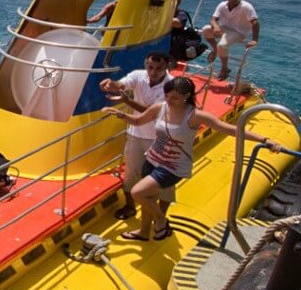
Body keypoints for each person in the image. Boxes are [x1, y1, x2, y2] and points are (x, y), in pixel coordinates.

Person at [103, 77, 281, 241]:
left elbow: (230, 129)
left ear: (186, 96)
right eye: (166, 96)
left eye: (174, 97)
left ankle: (162, 222)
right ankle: (143, 232)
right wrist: (118, 114)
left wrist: (264, 140)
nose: (168, 100)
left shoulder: (195, 115)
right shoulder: (161, 107)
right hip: (152, 159)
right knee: (149, 200)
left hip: (172, 167)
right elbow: (137, 121)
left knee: (137, 192)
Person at [98, 52, 175, 221]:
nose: (153, 72)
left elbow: (150, 113)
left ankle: (160, 217)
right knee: (131, 173)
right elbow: (123, 83)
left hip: (161, 139)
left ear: (166, 67)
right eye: (150, 67)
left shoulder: (172, 86)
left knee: (162, 179)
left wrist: (126, 101)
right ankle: (130, 206)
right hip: (136, 134)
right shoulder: (138, 76)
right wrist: (113, 84)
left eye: (158, 68)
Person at [201, 0, 259, 80]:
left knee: (222, 45)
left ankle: (225, 68)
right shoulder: (222, 5)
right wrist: (216, 26)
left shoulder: (246, 7)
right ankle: (215, 50)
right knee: (206, 29)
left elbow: (255, 22)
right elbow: (213, 19)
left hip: (239, 32)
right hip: (225, 28)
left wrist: (255, 40)